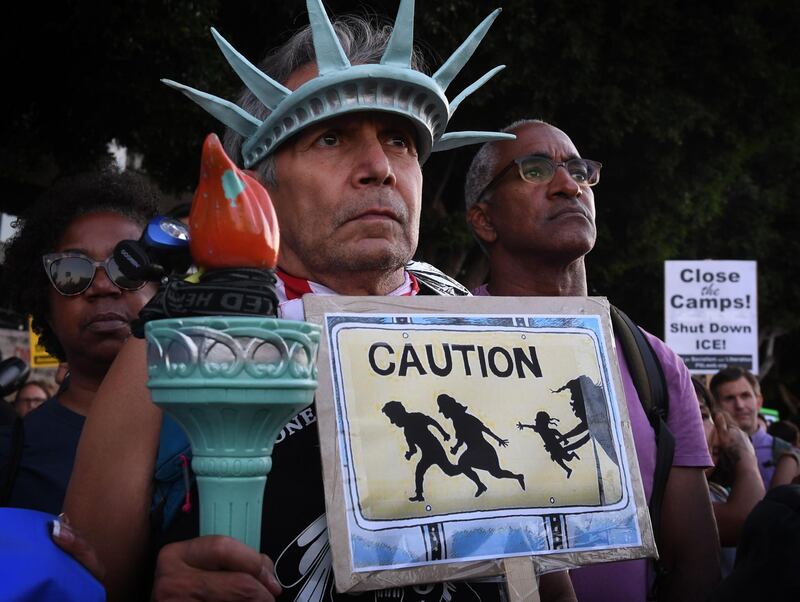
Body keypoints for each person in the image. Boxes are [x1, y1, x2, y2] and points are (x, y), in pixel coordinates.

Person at [65, 5, 575, 602]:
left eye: (399, 140)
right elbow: (83, 583)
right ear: (259, 181)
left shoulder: (483, 326)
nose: (380, 168)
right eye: (330, 137)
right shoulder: (174, 344)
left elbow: (546, 570)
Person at [464, 119, 720, 602]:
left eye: (580, 171)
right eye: (535, 171)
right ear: (484, 219)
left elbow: (695, 565)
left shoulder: (655, 363)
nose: (568, 186)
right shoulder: (437, 349)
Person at [0, 169, 159, 515]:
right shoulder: (11, 454)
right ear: (44, 304)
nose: (103, 286)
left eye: (127, 266)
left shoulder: (213, 428)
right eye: (72, 271)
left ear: (161, 286)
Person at [693, 377, 763, 577]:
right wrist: (745, 455)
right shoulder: (658, 492)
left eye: (705, 415)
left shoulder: (716, 490)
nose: (715, 427)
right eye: (702, 415)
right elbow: (745, 521)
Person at [710, 366, 800, 489]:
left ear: (759, 402)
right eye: (729, 398)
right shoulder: (710, 455)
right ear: (715, 405)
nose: (740, 405)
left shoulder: (786, 453)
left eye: (745, 396)